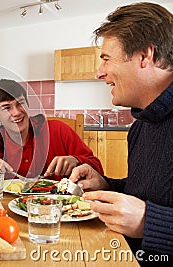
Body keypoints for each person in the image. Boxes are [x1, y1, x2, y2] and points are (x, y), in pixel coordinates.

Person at [69, 2, 173, 262]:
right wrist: (106, 184)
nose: (99, 73)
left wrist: (150, 222)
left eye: (106, 59)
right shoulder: (141, 126)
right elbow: (145, 194)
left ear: (145, 56)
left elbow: (148, 211)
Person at [0, 78, 103, 180]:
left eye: (20, 103)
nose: (16, 112)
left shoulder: (58, 130)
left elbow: (98, 169)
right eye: (7, 108)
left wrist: (76, 160)